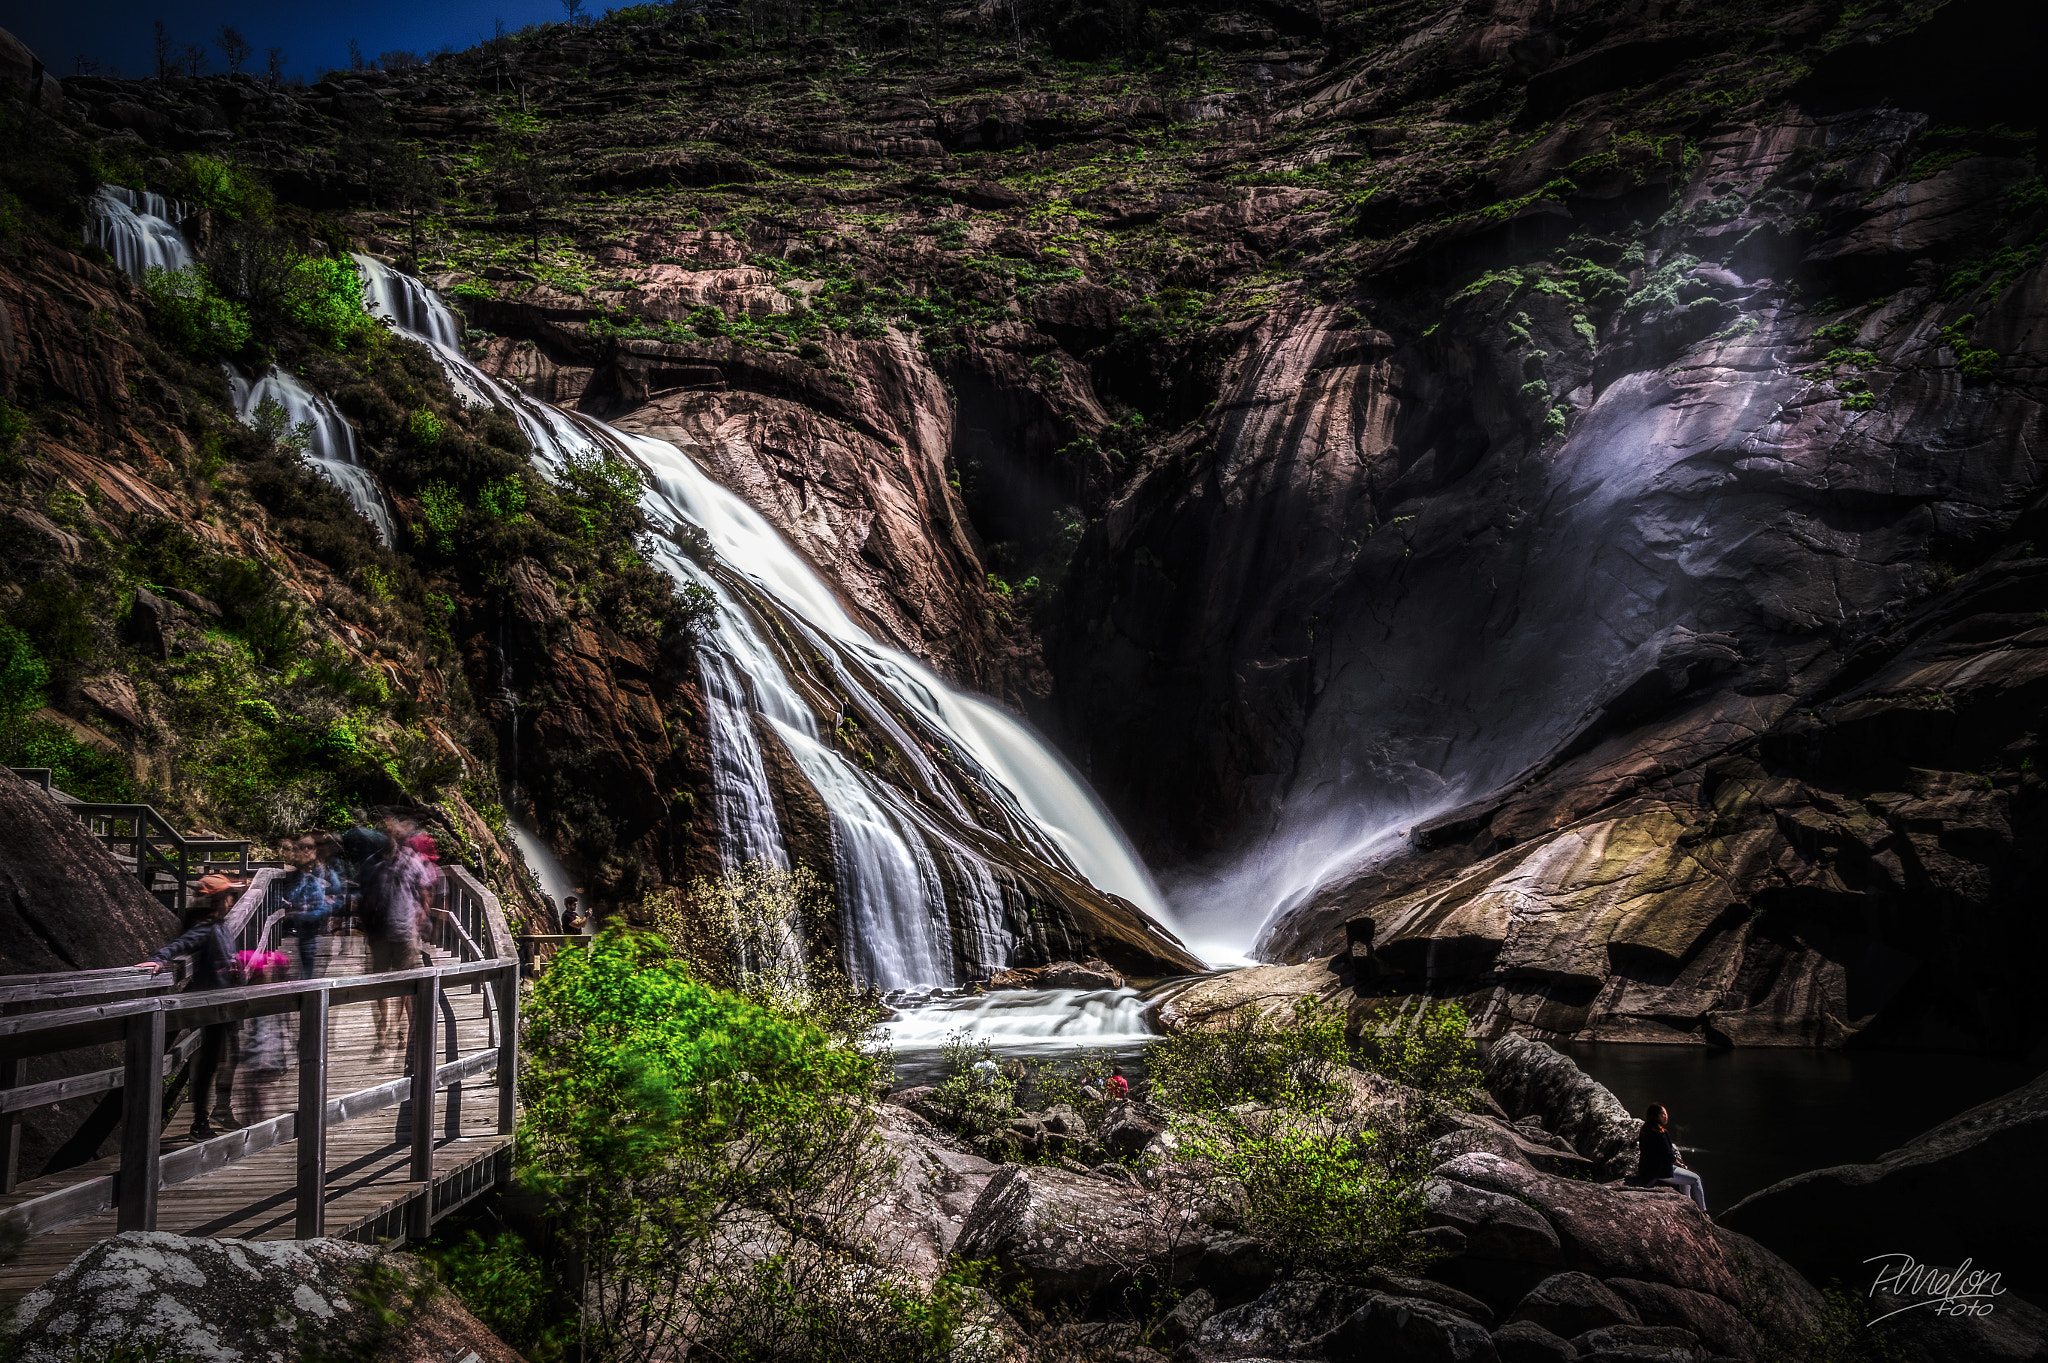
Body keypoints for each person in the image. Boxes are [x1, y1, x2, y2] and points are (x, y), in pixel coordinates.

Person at [133, 873, 248, 1141]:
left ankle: (218, 1111)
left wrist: (236, 966)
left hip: (226, 1003)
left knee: (230, 1057)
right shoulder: (207, 927)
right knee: (210, 1062)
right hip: (214, 1005)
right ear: (217, 899)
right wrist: (158, 959)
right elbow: (180, 945)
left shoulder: (221, 925)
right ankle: (200, 1122)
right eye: (228, 895)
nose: (232, 899)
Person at [279, 831, 341, 981]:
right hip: (298, 935)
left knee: (314, 978)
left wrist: (307, 914)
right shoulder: (294, 876)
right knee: (303, 977)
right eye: (302, 847)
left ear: (316, 850)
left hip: (322, 936)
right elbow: (287, 898)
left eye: (310, 847)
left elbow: (338, 902)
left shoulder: (327, 874)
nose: (306, 851)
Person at [1637, 1103, 1708, 1216]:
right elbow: (1668, 1155)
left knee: (1686, 1175)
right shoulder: (1661, 1133)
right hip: (1661, 1170)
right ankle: (1704, 1212)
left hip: (1647, 1169)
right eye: (1663, 1114)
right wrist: (1679, 1163)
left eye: (1666, 1114)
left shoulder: (1644, 1129)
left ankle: (1687, 1202)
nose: (1666, 1116)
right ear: (1656, 1116)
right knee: (1696, 1179)